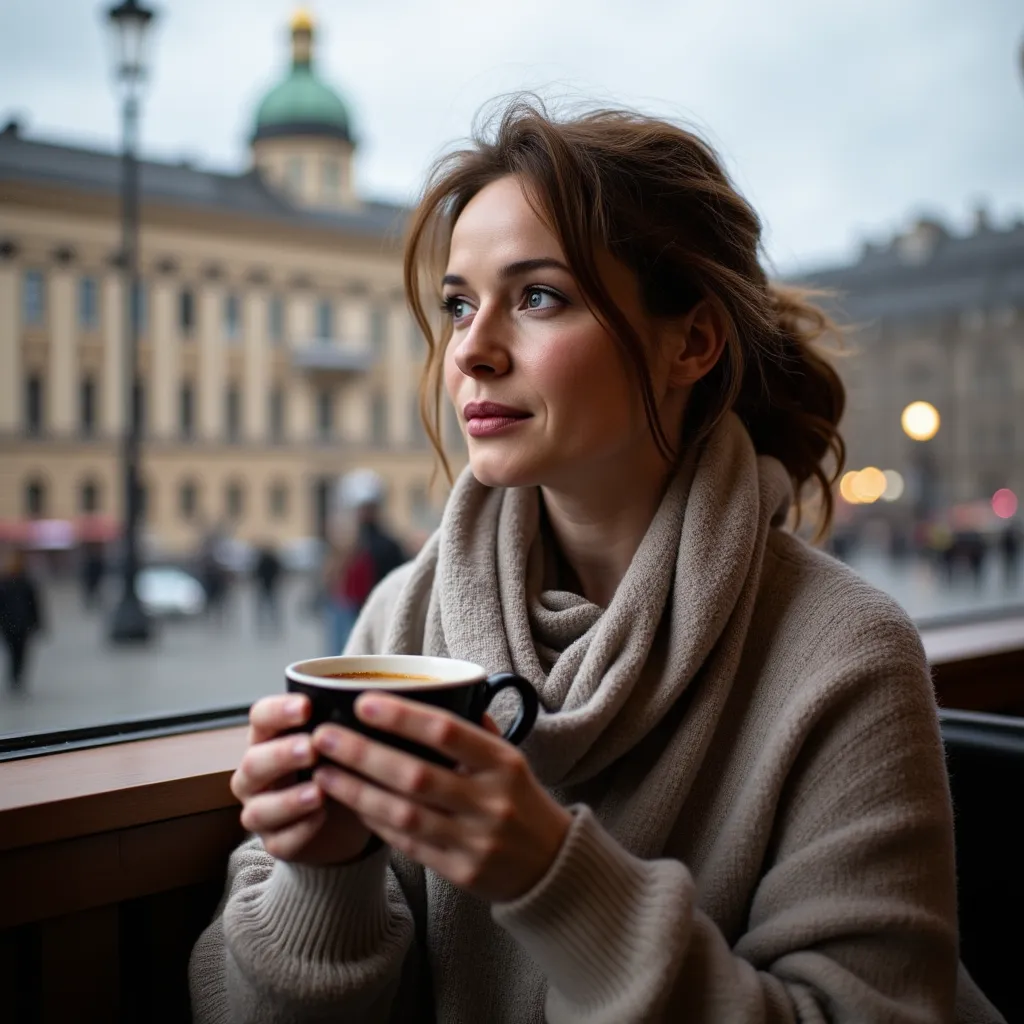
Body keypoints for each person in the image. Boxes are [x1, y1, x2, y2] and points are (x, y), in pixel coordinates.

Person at [190, 101, 1004, 1022]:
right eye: (459, 303)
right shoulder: (400, 621)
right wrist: (326, 876)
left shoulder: (844, 655)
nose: (472, 350)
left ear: (690, 343)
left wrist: (550, 875)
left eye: (538, 296)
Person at [322, 469, 407, 655]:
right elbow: (332, 575)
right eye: (362, 508)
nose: (364, 513)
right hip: (346, 606)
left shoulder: (384, 542)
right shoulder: (345, 540)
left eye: (368, 507)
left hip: (370, 605)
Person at [0, 548, 44, 693]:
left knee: (20, 653)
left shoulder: (26, 582)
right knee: (15, 653)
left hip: (21, 624)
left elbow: (34, 604)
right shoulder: (5, 583)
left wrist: (38, 623)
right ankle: (15, 677)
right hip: (11, 625)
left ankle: (17, 677)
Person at [252, 543, 284, 636]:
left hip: (267, 586)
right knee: (271, 608)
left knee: (268, 608)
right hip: (269, 586)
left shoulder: (264, 561)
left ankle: (268, 626)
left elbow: (256, 574)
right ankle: (273, 626)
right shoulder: (269, 560)